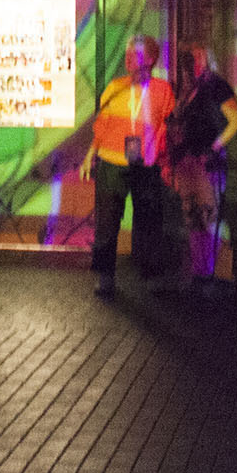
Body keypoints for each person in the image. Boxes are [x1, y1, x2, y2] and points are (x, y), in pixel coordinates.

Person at [85, 37, 173, 297]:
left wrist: (164, 161)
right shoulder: (115, 87)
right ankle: (105, 275)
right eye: (126, 54)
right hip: (112, 160)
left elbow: (166, 128)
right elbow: (101, 125)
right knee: (107, 221)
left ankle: (150, 274)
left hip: (145, 162)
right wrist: (91, 153)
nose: (128, 59)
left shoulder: (162, 90)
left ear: (150, 59)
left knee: (148, 218)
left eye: (134, 54)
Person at [164, 44, 237, 287]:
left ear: (206, 58)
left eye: (196, 58)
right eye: (188, 59)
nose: (191, 64)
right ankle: (200, 270)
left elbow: (235, 120)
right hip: (188, 161)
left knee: (207, 214)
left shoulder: (216, 85)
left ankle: (209, 272)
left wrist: (215, 146)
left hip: (206, 162)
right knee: (193, 215)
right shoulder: (190, 90)